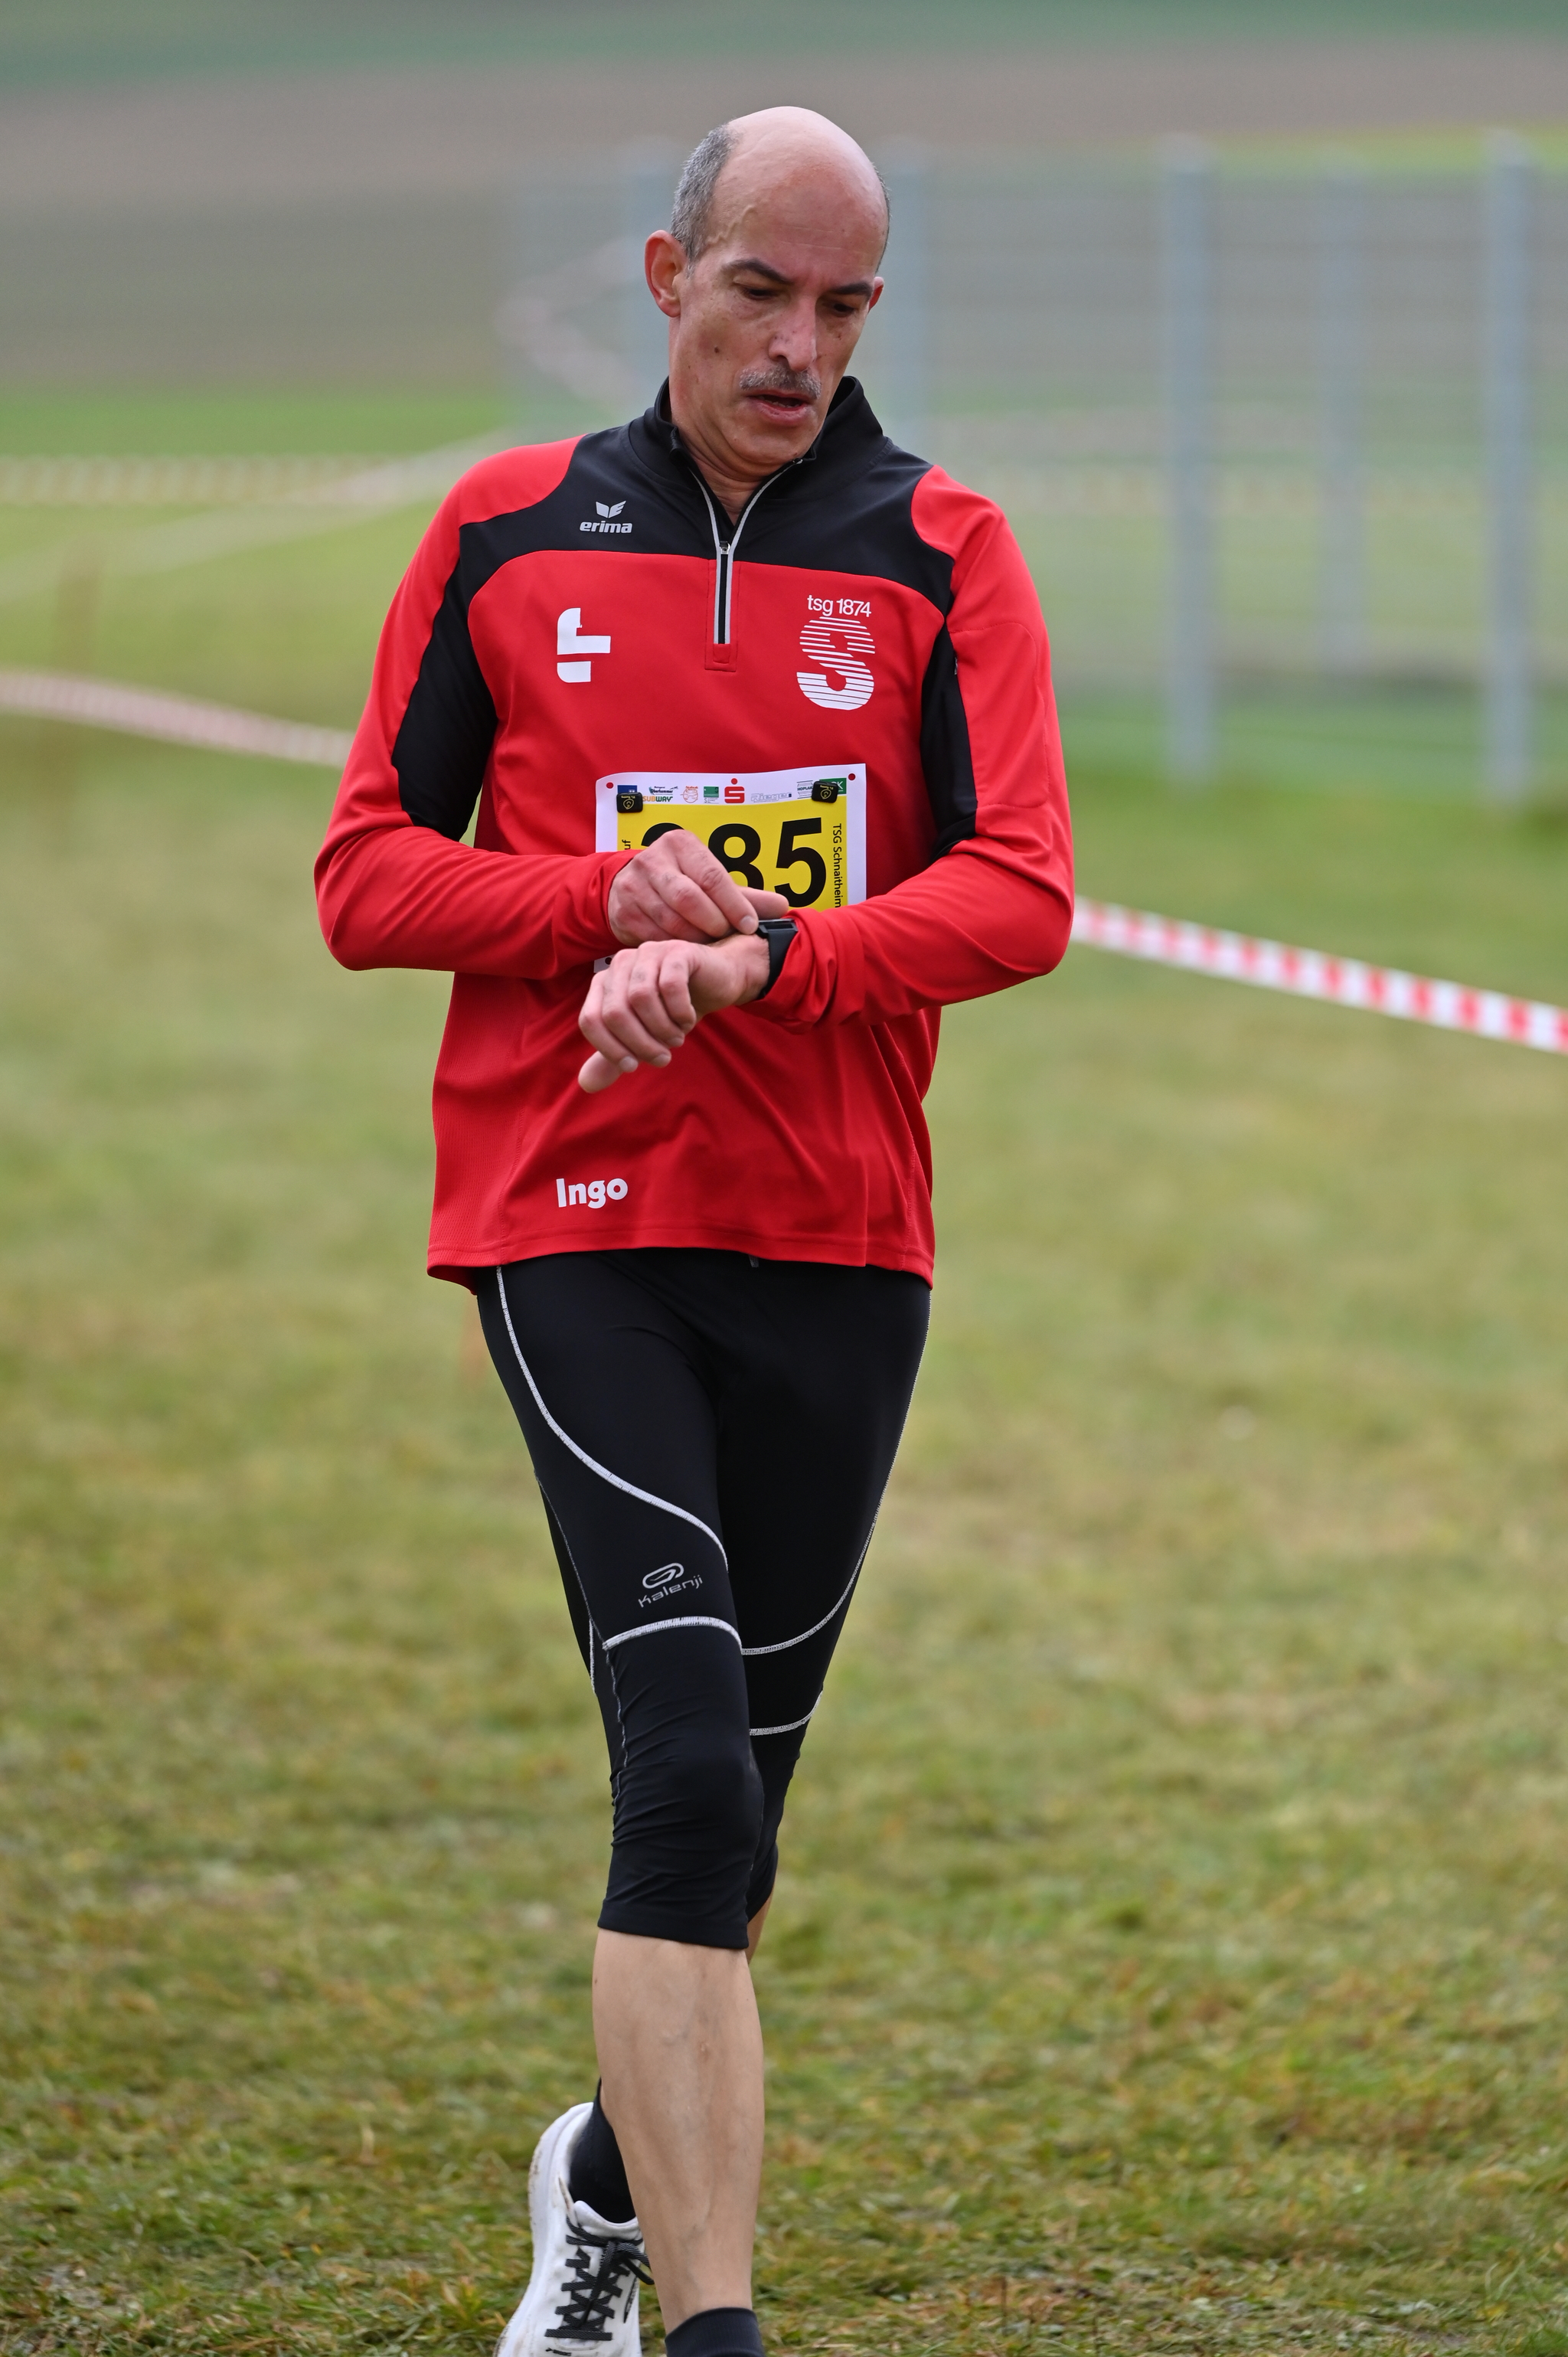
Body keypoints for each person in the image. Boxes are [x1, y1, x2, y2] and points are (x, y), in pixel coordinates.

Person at [315, 103, 1072, 2357]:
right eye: (759, 292)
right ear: (668, 278)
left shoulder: (943, 551)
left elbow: (1021, 891)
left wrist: (768, 958)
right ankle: (710, 2326)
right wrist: (597, 905)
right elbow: (367, 877)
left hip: (840, 1238)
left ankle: (606, 2176)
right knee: (680, 1772)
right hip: (571, 1214)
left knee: (739, 1817)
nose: (798, 347)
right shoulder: (504, 531)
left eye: (844, 305)